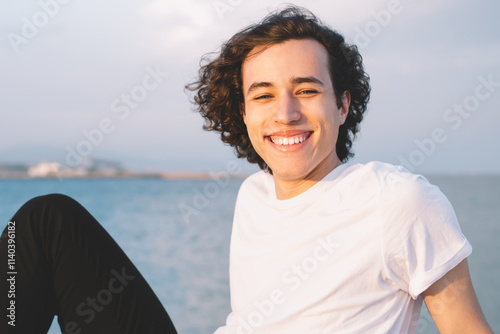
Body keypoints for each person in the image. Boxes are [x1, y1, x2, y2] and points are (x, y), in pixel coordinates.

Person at [0, 5, 492, 334]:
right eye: (263, 95)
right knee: (47, 222)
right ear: (242, 114)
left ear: (342, 104)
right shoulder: (254, 195)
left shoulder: (399, 201)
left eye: (307, 89)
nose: (286, 113)